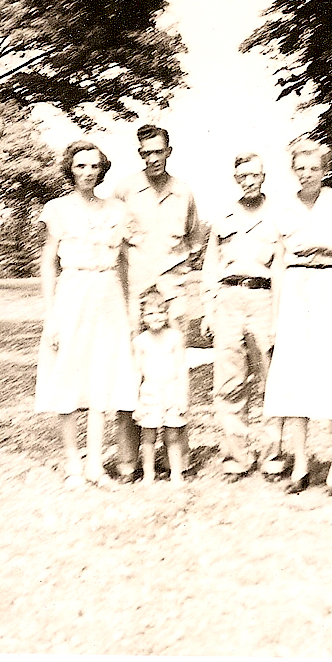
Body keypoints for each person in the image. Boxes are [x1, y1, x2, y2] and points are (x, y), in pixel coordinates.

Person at [34, 140, 138, 489]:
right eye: (80, 166)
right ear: (71, 169)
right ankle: (72, 464)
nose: (88, 172)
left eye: (94, 166)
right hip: (73, 293)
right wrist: (51, 315)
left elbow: (124, 263)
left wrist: (129, 309)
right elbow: (49, 262)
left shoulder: (118, 210)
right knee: (68, 373)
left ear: (101, 169)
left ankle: (95, 463)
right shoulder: (57, 209)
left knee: (101, 378)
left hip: (107, 294)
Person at [263, 139, 332, 496]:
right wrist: (275, 316)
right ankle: (301, 463)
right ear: (293, 171)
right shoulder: (283, 207)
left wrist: (325, 247)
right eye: (301, 168)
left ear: (325, 170)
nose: (307, 174)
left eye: (314, 168)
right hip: (295, 288)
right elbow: (276, 263)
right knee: (294, 373)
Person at [113, 124, 203, 481]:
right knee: (132, 373)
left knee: (174, 372)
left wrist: (177, 274)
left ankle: (175, 459)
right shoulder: (124, 190)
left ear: (169, 150)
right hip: (135, 293)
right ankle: (127, 461)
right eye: (145, 152)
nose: (152, 158)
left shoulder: (184, 193)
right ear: (139, 154)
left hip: (174, 296)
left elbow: (195, 240)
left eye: (157, 151)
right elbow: (115, 241)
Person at [201, 153, 285, 482]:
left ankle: (272, 458)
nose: (248, 181)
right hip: (228, 300)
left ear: (264, 176)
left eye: (254, 175)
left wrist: (279, 314)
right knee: (229, 383)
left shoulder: (278, 216)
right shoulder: (223, 216)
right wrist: (208, 308)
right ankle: (236, 458)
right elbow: (210, 265)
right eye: (242, 176)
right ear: (236, 179)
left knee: (270, 382)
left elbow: (281, 266)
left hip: (264, 298)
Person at [132, 287, 189, 486]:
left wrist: (183, 397)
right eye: (150, 313)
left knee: (173, 435)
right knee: (148, 436)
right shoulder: (140, 341)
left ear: (166, 314)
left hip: (172, 391)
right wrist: (137, 402)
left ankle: (176, 474)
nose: (156, 317)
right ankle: (149, 475)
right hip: (150, 393)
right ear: (142, 317)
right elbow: (137, 372)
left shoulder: (175, 337)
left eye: (160, 312)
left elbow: (182, 368)